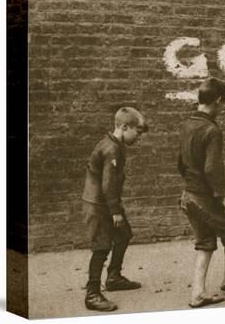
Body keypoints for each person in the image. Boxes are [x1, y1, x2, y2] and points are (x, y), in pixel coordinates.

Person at [177, 78, 225, 308]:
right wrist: (223, 196)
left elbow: (180, 163)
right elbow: (212, 168)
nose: (223, 109)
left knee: (206, 242)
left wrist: (191, 183)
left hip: (188, 196)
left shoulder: (187, 124)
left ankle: (198, 293)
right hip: (205, 198)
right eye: (224, 104)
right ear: (218, 101)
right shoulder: (212, 129)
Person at [81, 107, 148, 311]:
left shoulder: (115, 144)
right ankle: (92, 294)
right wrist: (115, 212)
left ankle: (114, 277)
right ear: (124, 127)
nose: (138, 136)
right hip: (99, 206)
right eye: (137, 131)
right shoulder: (111, 149)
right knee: (101, 247)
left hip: (106, 203)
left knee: (123, 235)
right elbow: (108, 184)